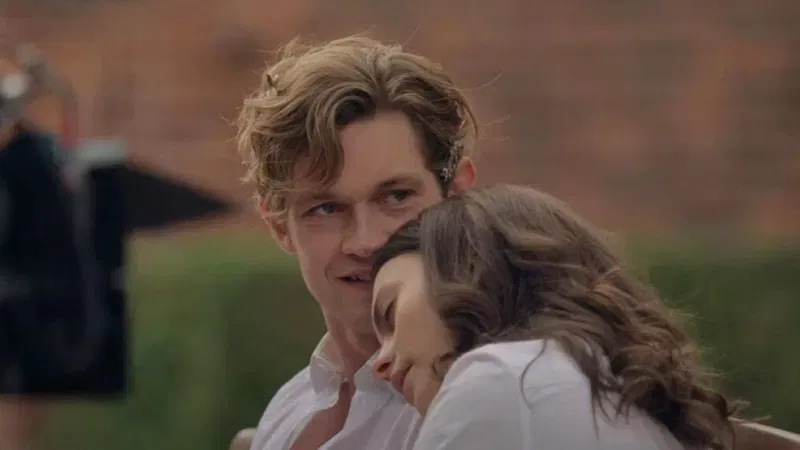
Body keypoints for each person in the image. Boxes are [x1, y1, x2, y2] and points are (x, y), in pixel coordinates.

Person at [235, 34, 478, 449]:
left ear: (456, 194)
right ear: (279, 226)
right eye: (327, 208)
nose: (366, 242)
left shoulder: (483, 403)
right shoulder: (289, 408)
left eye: (396, 197)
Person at [370, 184, 742, 450]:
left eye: (389, 313)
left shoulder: (502, 379)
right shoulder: (613, 394)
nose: (378, 364)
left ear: (468, 268)